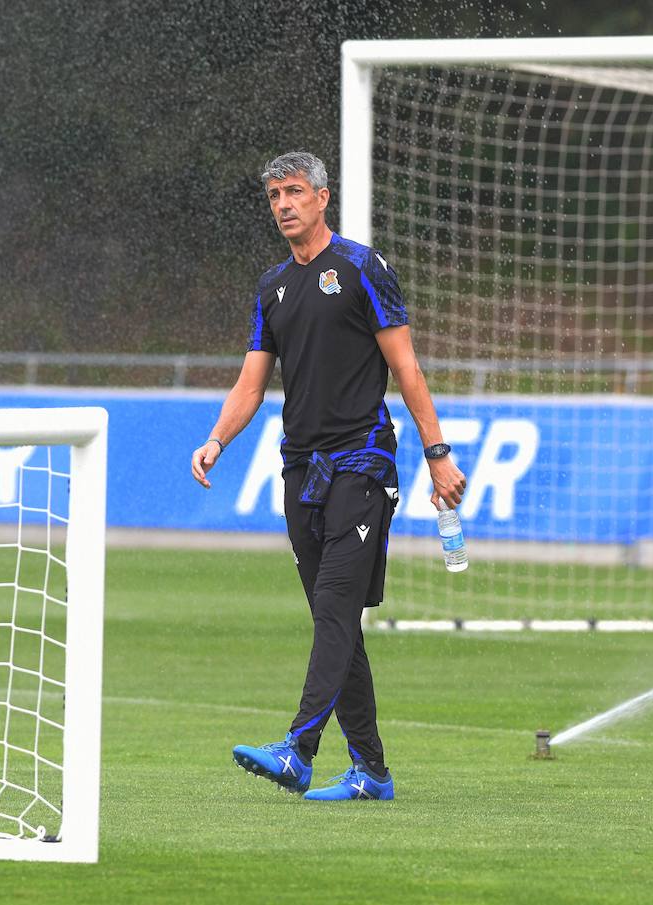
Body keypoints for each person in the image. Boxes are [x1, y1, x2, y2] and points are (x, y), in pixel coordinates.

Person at [190, 150, 465, 801]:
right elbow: (251, 382)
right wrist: (216, 438)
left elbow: (408, 368)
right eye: (274, 195)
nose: (283, 203)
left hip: (364, 462)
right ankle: (371, 770)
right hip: (301, 471)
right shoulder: (272, 287)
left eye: (293, 191)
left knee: (335, 610)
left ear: (321, 197)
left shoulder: (363, 268)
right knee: (334, 619)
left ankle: (299, 749)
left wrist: (438, 452)